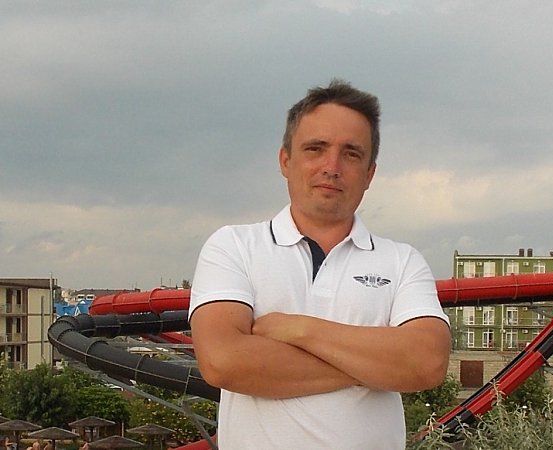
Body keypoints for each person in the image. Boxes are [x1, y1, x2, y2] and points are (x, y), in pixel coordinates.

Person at [189, 79, 451, 449]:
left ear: (370, 174)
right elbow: (223, 362)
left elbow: (426, 362)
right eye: (316, 148)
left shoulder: (402, 261)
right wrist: (376, 366)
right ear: (285, 160)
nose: (332, 167)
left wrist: (298, 330)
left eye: (351, 154)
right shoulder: (233, 246)